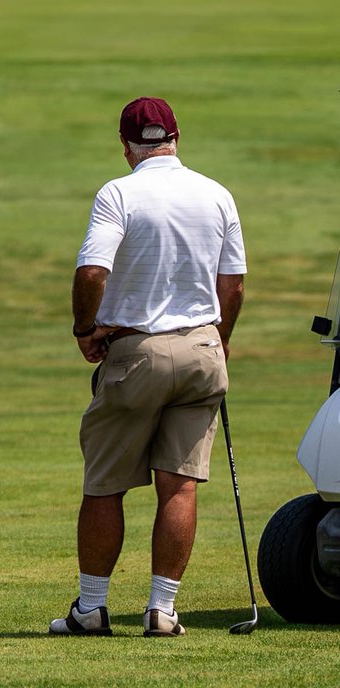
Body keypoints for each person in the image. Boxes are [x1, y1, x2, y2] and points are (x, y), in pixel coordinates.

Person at [49, 97, 246, 638]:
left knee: (105, 485)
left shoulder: (120, 192)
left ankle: (91, 610)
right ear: (176, 137)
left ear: (126, 146)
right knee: (179, 486)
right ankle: (162, 610)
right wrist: (220, 339)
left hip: (138, 353)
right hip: (204, 350)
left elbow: (92, 271)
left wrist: (84, 329)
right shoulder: (216, 193)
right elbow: (232, 285)